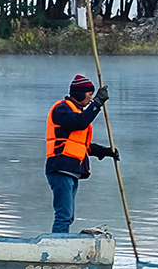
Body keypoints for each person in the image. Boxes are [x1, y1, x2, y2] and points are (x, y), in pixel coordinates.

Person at [46, 74, 117, 235]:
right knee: (64, 215)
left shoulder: (77, 112)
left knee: (68, 216)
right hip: (60, 168)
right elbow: (80, 122)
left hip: (71, 170)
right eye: (90, 95)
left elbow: (82, 146)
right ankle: (57, 246)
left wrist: (106, 151)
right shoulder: (62, 109)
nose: (91, 99)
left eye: (93, 96)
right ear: (79, 93)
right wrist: (98, 104)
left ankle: (60, 242)